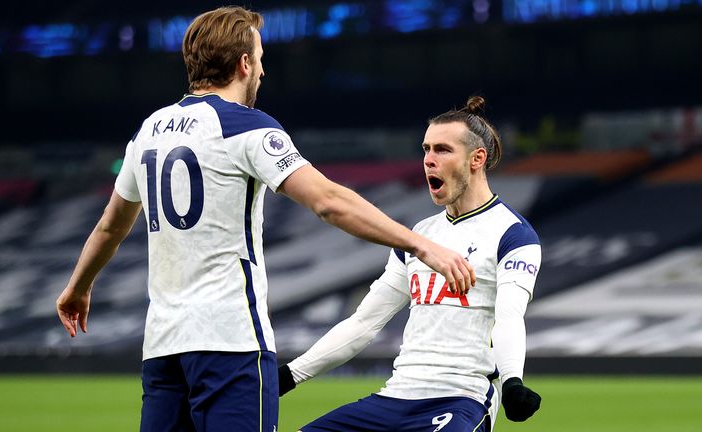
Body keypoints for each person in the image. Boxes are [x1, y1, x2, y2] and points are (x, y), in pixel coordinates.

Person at [55, 6, 475, 432]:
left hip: (164, 348)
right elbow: (328, 200)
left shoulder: (148, 131)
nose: (262, 72)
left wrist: (78, 287)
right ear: (243, 63)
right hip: (230, 343)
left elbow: (111, 225)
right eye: (260, 58)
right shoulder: (247, 126)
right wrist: (421, 244)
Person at [278, 96, 542, 432]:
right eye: (426, 149)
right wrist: (288, 376)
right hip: (395, 397)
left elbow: (509, 319)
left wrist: (513, 383)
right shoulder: (421, 235)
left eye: (443, 150)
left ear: (478, 158)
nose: (429, 160)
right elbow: (364, 323)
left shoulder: (513, 235)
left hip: (460, 400)